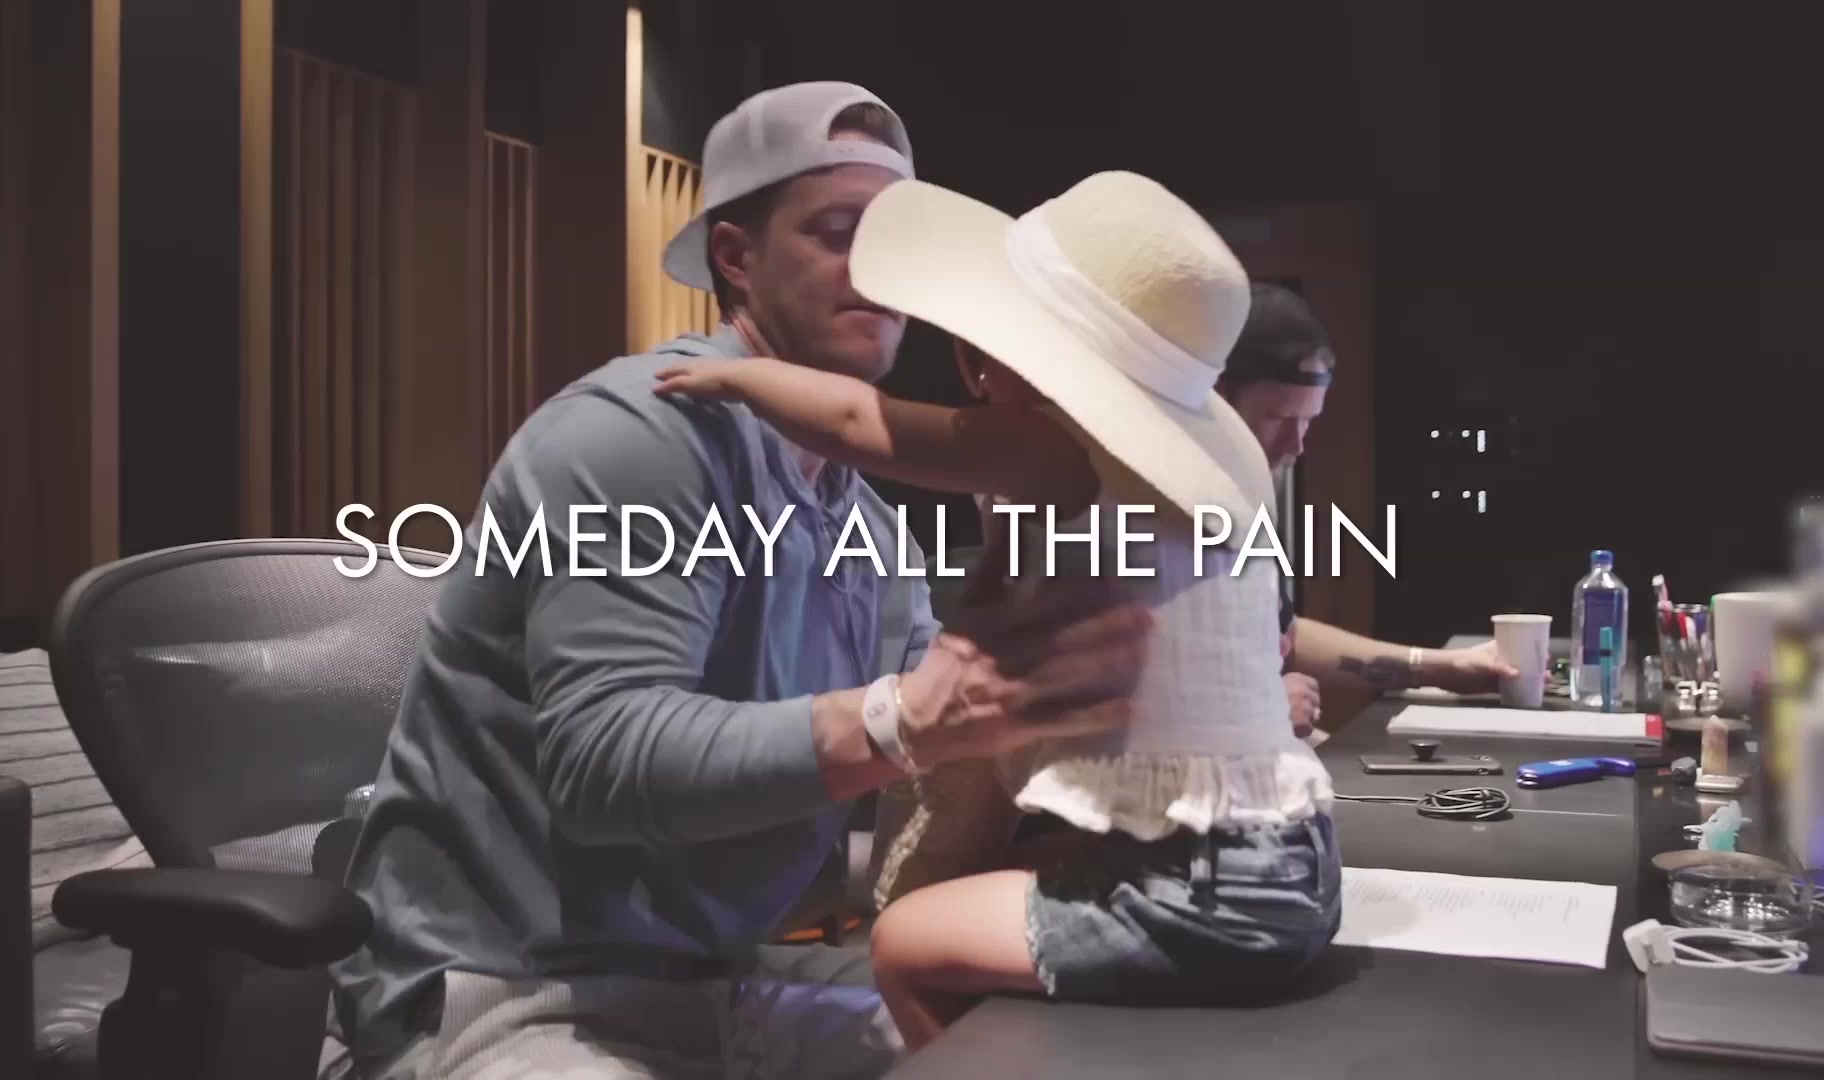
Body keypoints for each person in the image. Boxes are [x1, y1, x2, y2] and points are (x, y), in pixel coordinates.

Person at [328, 82, 1153, 1080]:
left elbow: (937, 754)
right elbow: (603, 763)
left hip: (717, 985)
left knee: (1049, 1051)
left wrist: (1123, 746)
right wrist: (905, 718)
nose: (878, 269)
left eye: (896, 242)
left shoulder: (865, 521)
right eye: (838, 233)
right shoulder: (640, 435)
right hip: (508, 995)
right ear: (735, 257)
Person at [654, 171, 1342, 1053]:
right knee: (992, 889)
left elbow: (861, 421)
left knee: (905, 943)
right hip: (1290, 863)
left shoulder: (1058, 455)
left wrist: (744, 376)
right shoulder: (1193, 481)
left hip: (1205, 890)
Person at [1214, 283, 1518, 736]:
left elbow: (1283, 631)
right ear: (1217, 396)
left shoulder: (1246, 490)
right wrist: (1256, 709)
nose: (1296, 445)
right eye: (1277, 419)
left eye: (1308, 421)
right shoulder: (1155, 505)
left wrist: (1442, 667)